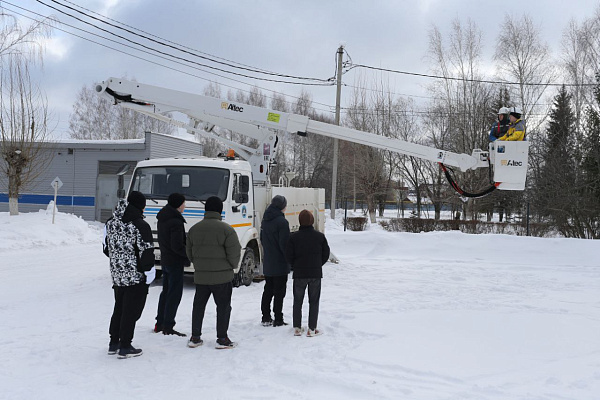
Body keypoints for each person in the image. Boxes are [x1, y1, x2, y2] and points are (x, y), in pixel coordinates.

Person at [103, 191, 155, 359]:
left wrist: (119, 260)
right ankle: (125, 345)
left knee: (119, 307)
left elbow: (106, 248)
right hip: (135, 275)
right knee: (131, 311)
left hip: (117, 274)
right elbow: (146, 251)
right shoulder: (140, 225)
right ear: (141, 206)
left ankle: (114, 342)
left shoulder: (110, 223)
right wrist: (149, 271)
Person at [186, 196, 241, 349]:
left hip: (201, 276)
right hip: (222, 276)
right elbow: (234, 253)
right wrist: (231, 266)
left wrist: (198, 264)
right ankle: (222, 338)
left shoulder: (194, 229)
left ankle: (195, 337)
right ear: (220, 210)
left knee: (198, 306)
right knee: (223, 307)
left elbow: (189, 252)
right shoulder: (227, 230)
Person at [285, 210, 330, 337]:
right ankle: (312, 328)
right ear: (312, 221)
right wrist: (317, 264)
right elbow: (326, 254)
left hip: (299, 273)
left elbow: (288, 256)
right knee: (314, 301)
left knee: (297, 301)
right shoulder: (320, 236)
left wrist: (295, 265)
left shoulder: (293, 237)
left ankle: (297, 328)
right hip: (315, 273)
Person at [154, 193, 190, 337]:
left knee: (166, 292)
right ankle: (168, 326)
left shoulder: (163, 218)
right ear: (178, 204)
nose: (184, 206)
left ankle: (160, 323)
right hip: (175, 261)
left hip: (165, 259)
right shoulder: (175, 221)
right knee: (174, 294)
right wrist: (187, 254)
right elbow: (177, 245)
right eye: (183, 203)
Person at [260, 195, 291, 327]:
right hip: (279, 262)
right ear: (282, 206)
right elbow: (284, 244)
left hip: (268, 260)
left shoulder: (265, 220)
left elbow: (262, 239)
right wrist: (290, 260)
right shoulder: (282, 222)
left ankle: (265, 316)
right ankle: (278, 318)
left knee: (268, 289)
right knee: (279, 292)